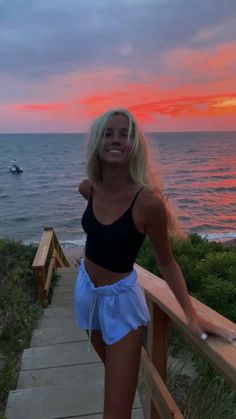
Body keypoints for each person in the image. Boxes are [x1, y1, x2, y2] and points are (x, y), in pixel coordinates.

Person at [74, 108, 236, 419]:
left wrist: (192, 314)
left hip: (122, 305)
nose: (117, 140)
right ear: (97, 142)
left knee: (116, 411)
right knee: (112, 378)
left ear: (135, 145)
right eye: (108, 133)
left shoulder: (147, 203)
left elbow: (167, 262)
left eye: (125, 134)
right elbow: (99, 234)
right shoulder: (89, 188)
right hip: (86, 295)